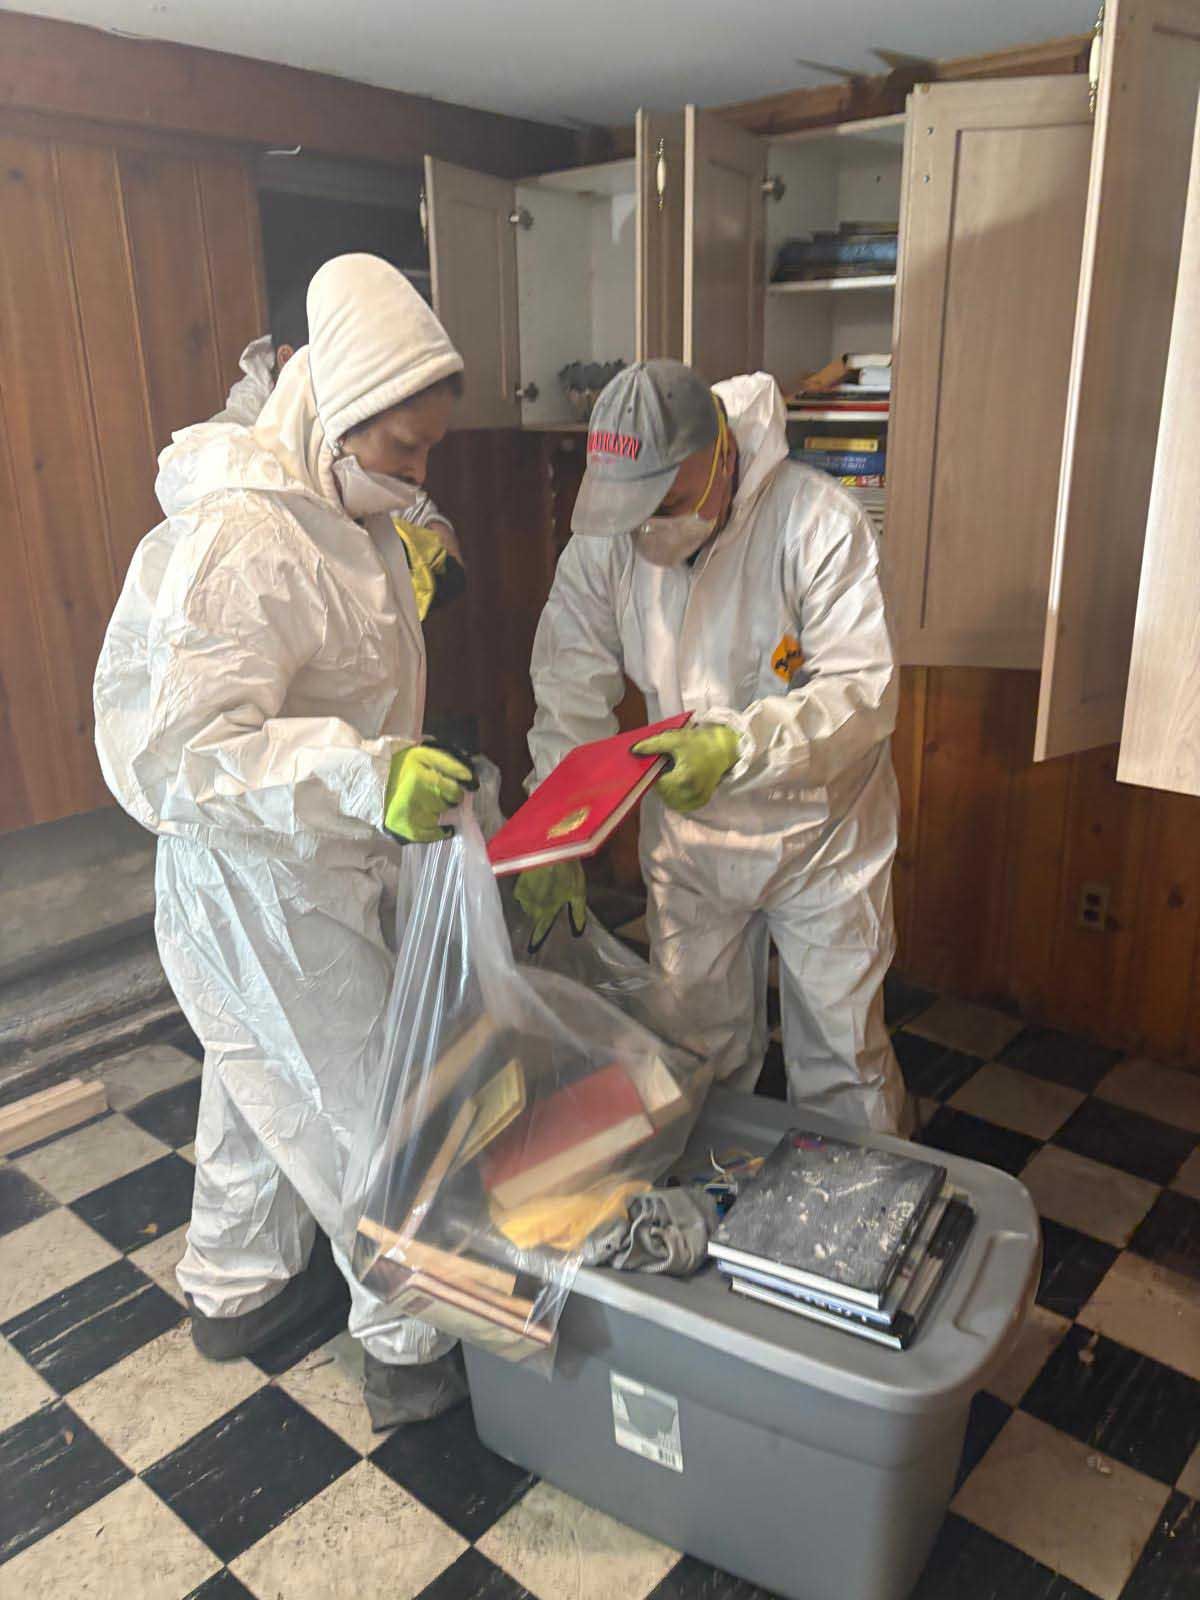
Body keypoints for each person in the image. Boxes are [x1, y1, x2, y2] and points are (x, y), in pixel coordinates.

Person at [94, 254, 478, 1427]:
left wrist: (407, 560)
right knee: (369, 1108)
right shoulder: (244, 538)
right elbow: (187, 755)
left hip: (304, 864)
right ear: (334, 412)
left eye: (428, 454)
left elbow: (338, 653)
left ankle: (239, 1289)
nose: (415, 480)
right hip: (257, 881)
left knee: (262, 1083)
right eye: (402, 454)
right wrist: (370, 777)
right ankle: (415, 1346)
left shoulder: (332, 500)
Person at [518, 359, 906, 1133]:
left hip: (819, 840)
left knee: (839, 1058)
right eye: (635, 510)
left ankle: (866, 1228)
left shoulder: (816, 521)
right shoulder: (608, 542)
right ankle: (711, 1220)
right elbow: (569, 685)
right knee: (696, 1052)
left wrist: (736, 745)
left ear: (723, 453)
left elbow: (862, 693)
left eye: (667, 501)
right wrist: (552, 835)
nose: (652, 528)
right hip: (693, 847)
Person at [211, 282, 466, 620]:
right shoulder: (229, 465)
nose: (419, 471)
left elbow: (408, 505)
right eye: (406, 445)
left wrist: (426, 542)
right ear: (293, 363)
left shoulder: (346, 450)